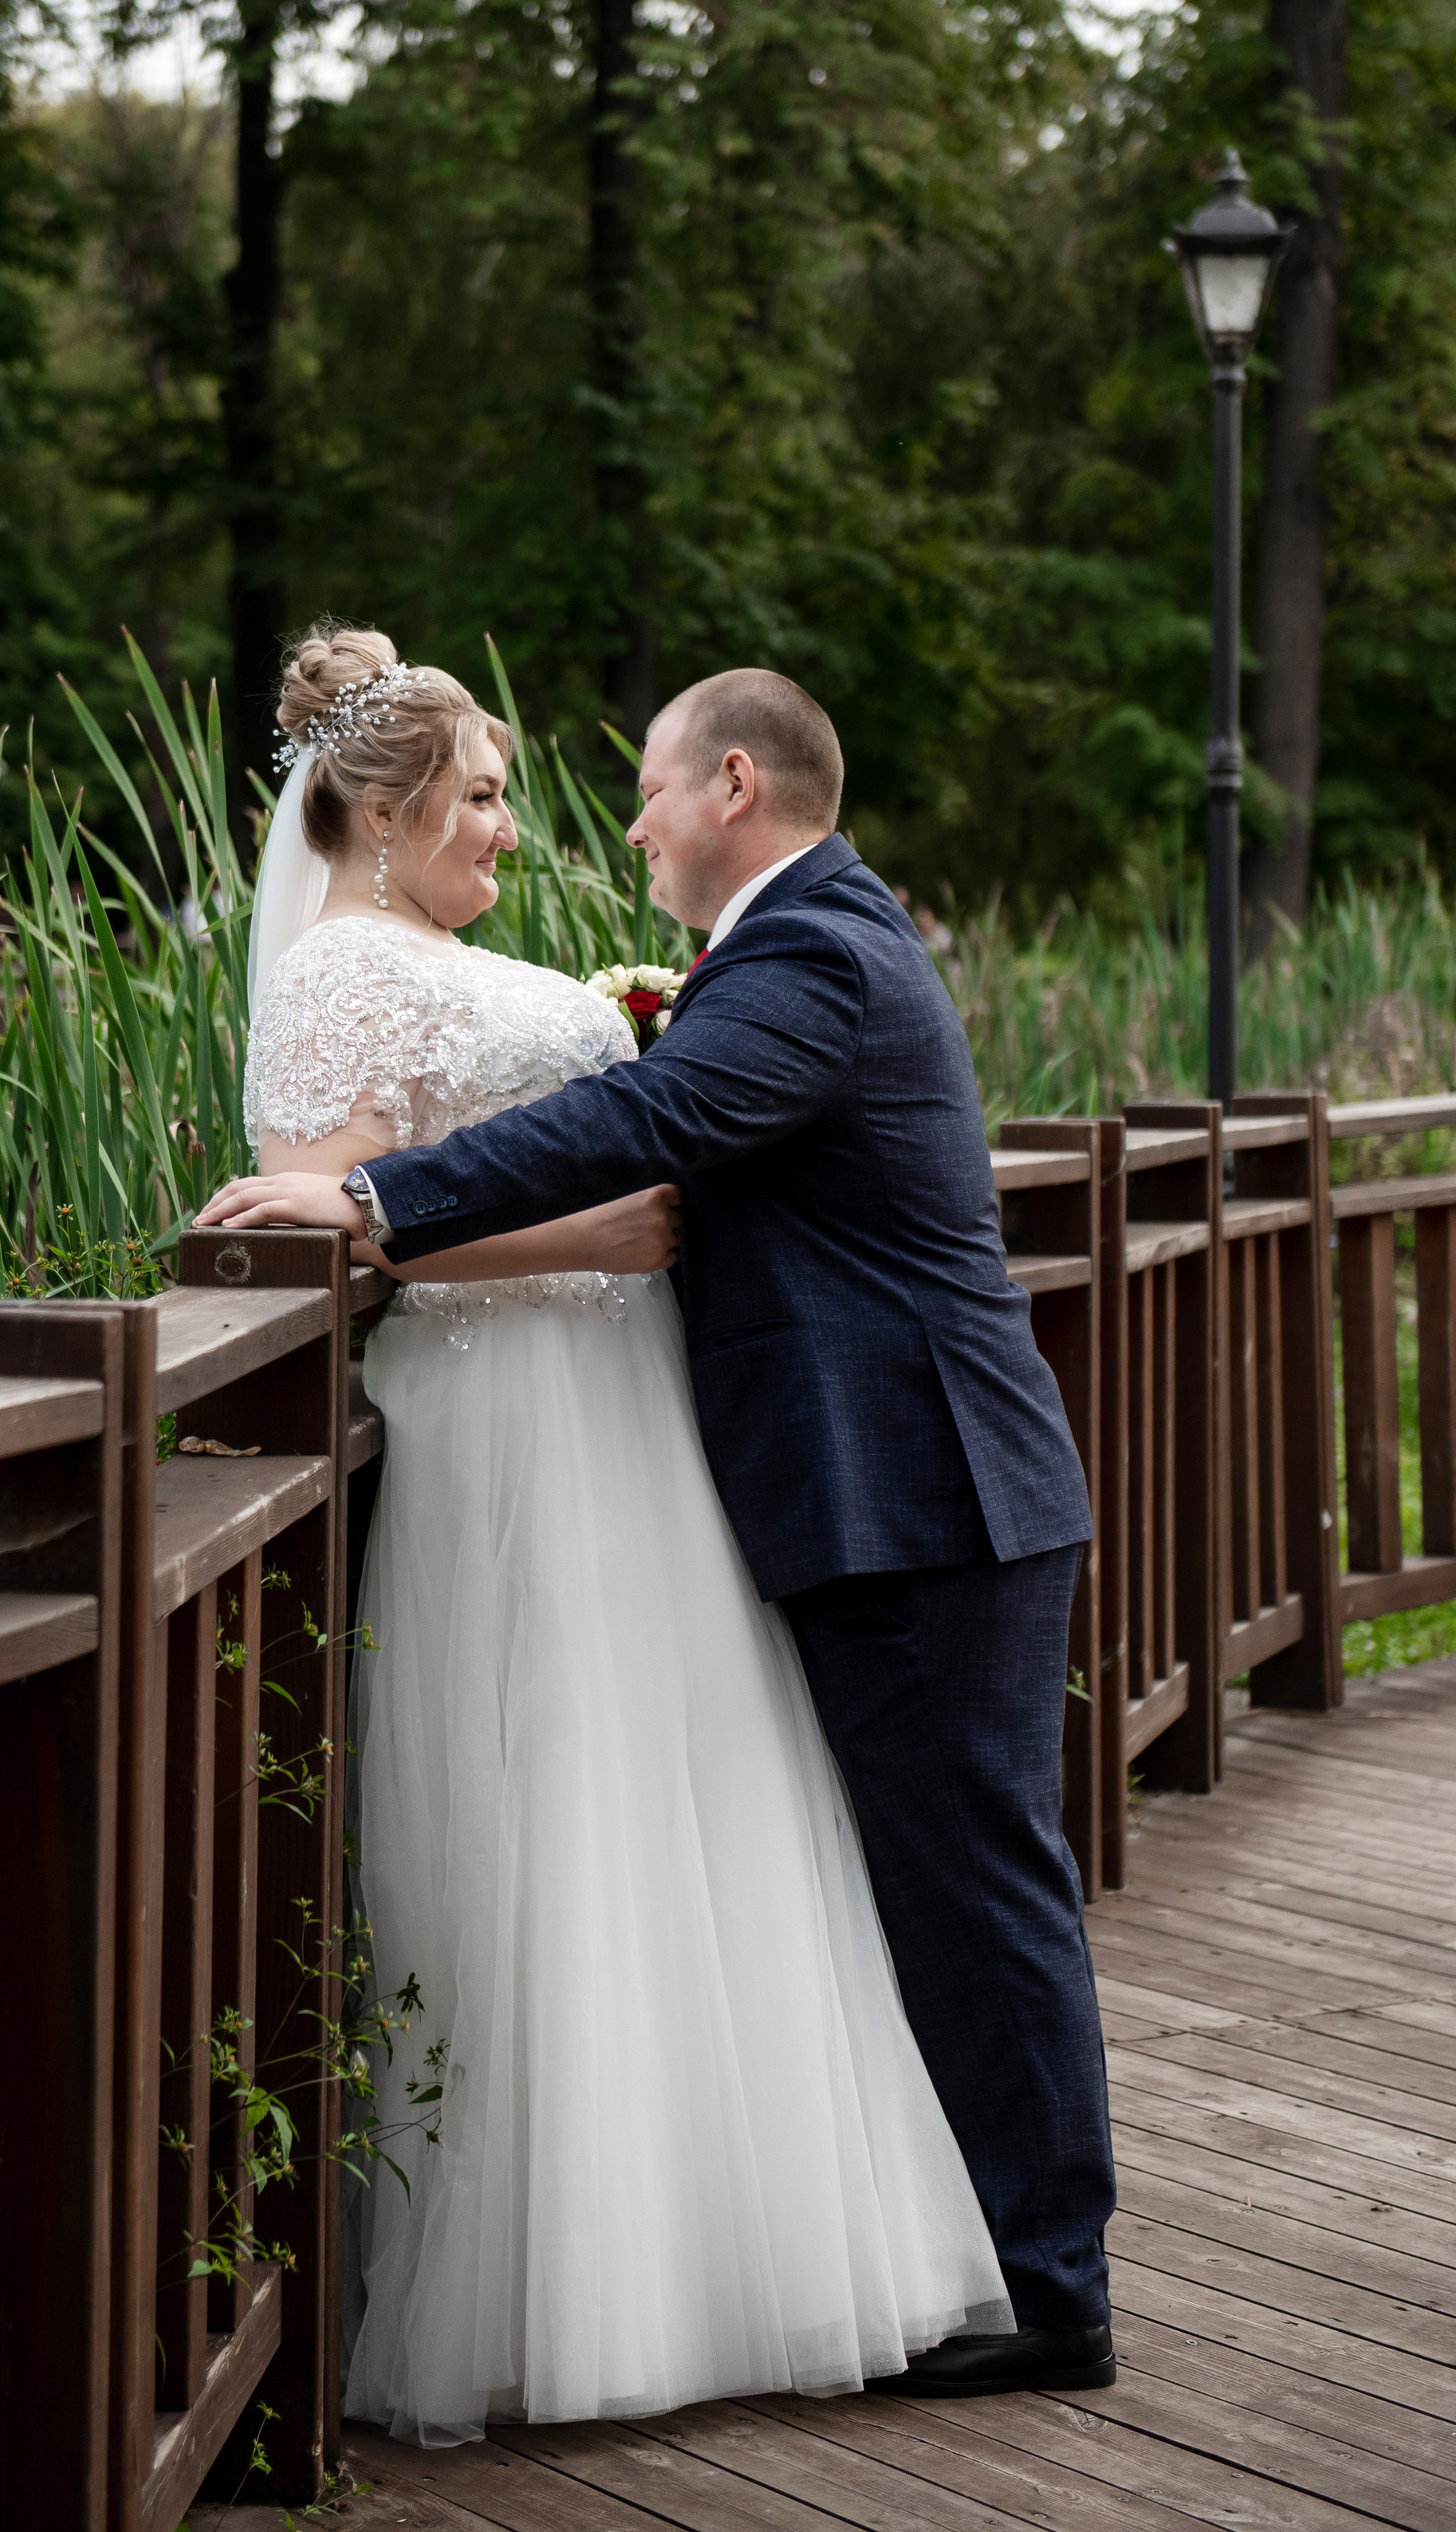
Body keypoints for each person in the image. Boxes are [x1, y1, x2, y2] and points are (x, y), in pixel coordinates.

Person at [201, 652, 1116, 2408]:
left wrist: (369, 1197)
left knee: (974, 1882)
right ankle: (987, 2261)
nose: (614, 826)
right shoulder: (797, 940)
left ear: (732, 790)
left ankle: (1051, 2287)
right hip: (860, 1481)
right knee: (923, 1874)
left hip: (919, 1493)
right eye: (489, 791)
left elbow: (659, 1119)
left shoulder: (812, 951)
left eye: (644, 789)